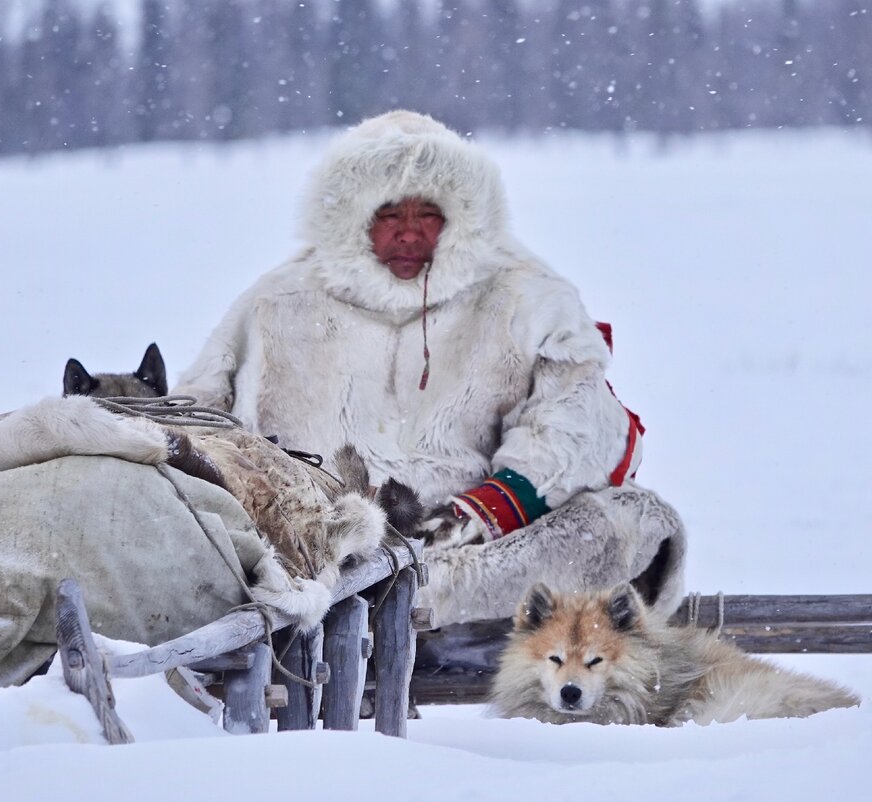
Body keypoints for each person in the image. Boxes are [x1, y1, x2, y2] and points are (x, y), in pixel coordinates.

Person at [175, 110, 685, 625]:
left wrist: (477, 515)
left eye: (429, 215)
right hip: (313, 557)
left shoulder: (524, 293)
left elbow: (577, 422)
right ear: (351, 220)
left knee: (634, 519)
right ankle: (371, 598)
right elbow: (196, 420)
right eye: (389, 214)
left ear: (461, 219)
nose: (409, 234)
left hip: (473, 565)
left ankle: (417, 602)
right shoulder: (277, 301)